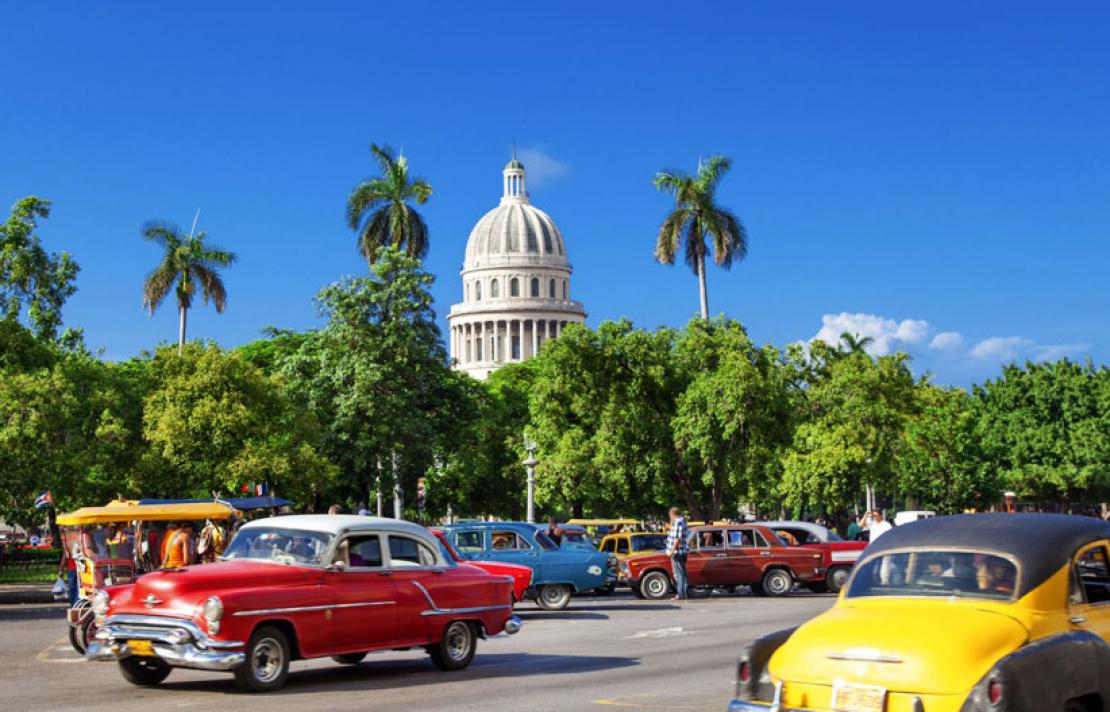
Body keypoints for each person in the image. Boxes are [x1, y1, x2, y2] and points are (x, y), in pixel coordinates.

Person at [665, 507, 689, 601]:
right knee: (682, 573)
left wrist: (671, 551)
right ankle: (683, 593)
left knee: (679, 574)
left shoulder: (678, 522)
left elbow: (677, 539)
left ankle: (681, 594)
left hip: (678, 552)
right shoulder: (682, 521)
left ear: (672, 514)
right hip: (682, 551)